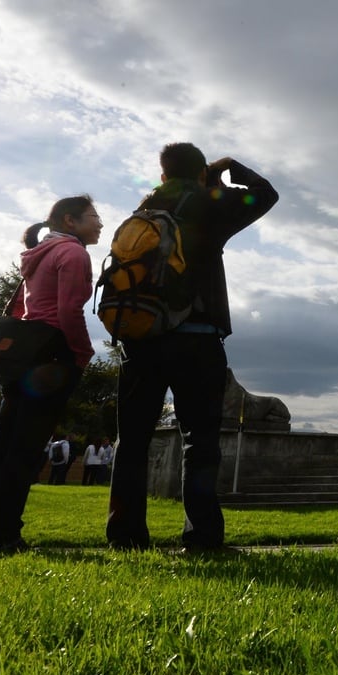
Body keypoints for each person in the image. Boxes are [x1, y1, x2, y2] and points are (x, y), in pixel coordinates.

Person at [106, 143, 277, 552]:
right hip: (197, 337)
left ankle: (124, 536)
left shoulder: (144, 208)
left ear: (163, 175)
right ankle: (201, 538)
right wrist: (229, 171)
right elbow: (265, 195)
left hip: (141, 338)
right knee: (199, 441)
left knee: (131, 441)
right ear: (202, 173)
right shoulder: (210, 203)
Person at [0, 195, 102, 552]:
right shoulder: (73, 253)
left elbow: (21, 307)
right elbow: (68, 312)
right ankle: (5, 535)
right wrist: (82, 352)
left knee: (0, 446)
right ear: (70, 220)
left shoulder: (40, 253)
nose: (99, 224)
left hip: (22, 355)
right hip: (52, 356)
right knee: (26, 450)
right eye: (94, 217)